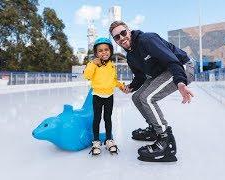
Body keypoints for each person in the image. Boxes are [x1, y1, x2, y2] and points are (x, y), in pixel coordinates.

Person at [109, 21, 195, 162]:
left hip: (182, 67)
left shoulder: (147, 40)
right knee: (137, 97)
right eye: (117, 37)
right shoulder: (130, 56)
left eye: (123, 33)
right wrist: (131, 87)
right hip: (161, 73)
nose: (122, 38)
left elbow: (172, 60)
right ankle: (155, 129)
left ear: (128, 31)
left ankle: (166, 142)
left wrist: (180, 81)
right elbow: (140, 77)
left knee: (148, 98)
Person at [83, 37, 125, 156]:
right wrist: (92, 64)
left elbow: (114, 80)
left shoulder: (112, 65)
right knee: (97, 118)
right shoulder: (94, 64)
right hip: (97, 95)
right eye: (100, 50)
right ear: (96, 53)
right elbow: (87, 76)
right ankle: (96, 141)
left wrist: (121, 86)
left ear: (110, 51)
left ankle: (108, 140)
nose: (104, 52)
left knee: (108, 118)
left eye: (106, 49)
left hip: (109, 96)